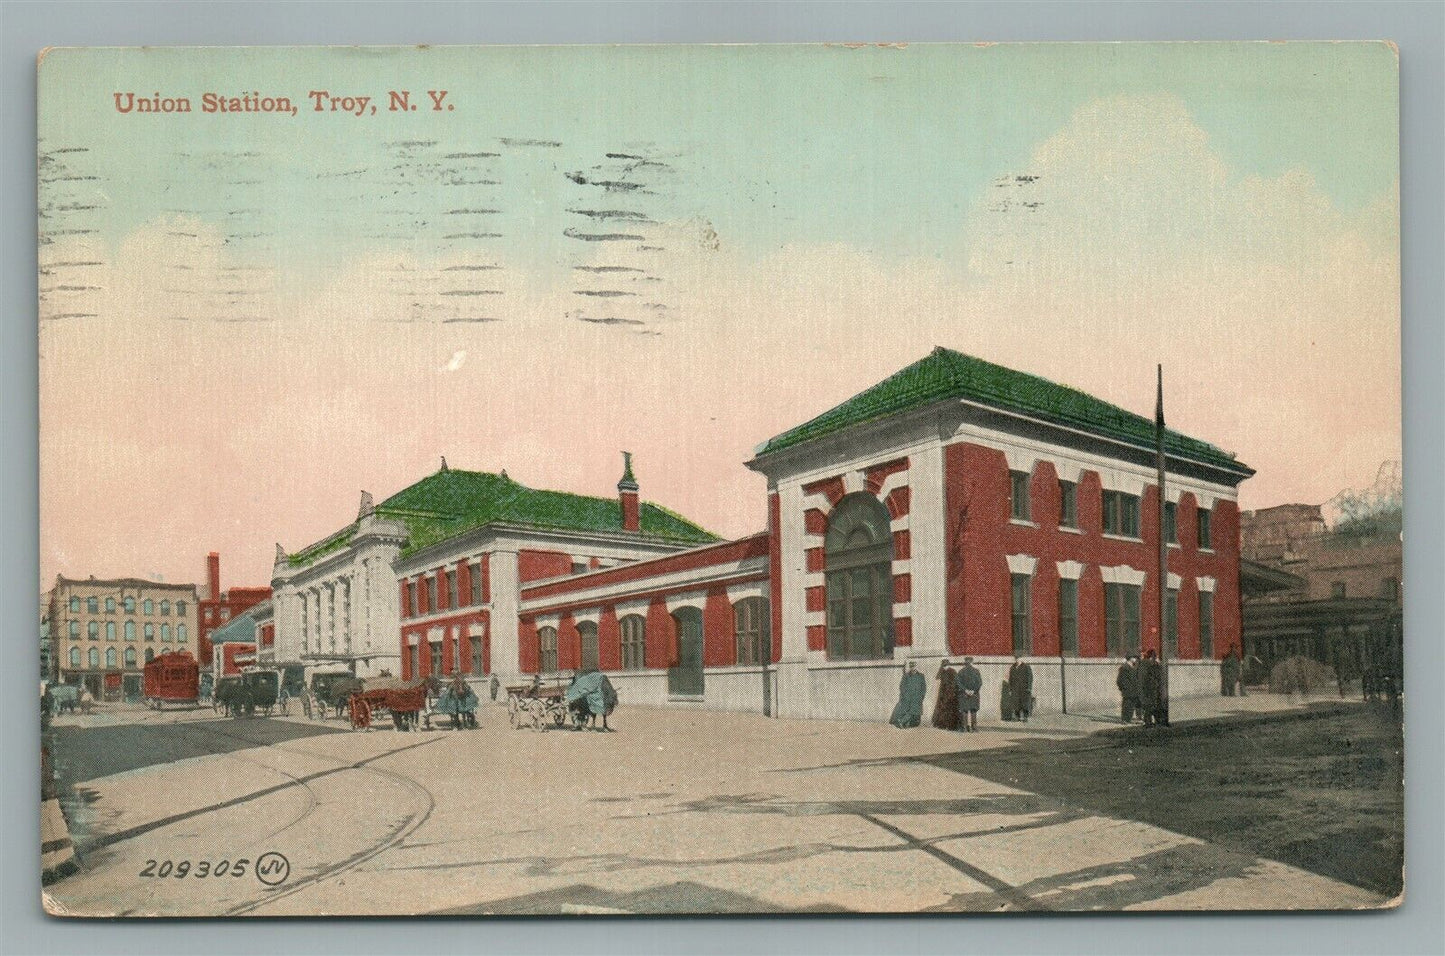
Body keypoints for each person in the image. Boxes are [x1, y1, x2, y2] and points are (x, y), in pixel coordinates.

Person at [889, 661, 926, 728]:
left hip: (917, 697)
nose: (913, 668)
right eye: (911, 666)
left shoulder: (921, 676)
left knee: (914, 711)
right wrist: (904, 695)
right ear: (910, 667)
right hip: (908, 697)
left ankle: (902, 722)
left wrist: (921, 696)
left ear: (916, 667)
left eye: (914, 666)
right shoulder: (906, 676)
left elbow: (924, 688)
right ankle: (904, 722)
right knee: (910, 711)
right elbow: (902, 686)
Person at [955, 657, 983, 732]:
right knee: (973, 710)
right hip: (974, 694)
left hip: (964, 694)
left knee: (964, 710)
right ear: (972, 662)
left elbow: (958, 683)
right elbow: (979, 683)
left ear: (965, 663)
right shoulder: (976, 671)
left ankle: (964, 727)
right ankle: (974, 727)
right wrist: (973, 690)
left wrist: (965, 690)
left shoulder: (961, 672)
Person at [932, 659, 960, 730]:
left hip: (950, 692)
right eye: (943, 665)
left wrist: (952, 691)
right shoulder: (943, 671)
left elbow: (955, 682)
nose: (944, 667)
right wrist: (941, 669)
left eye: (944, 665)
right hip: (944, 693)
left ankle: (950, 725)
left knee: (949, 708)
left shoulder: (952, 671)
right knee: (944, 708)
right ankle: (944, 724)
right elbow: (937, 677)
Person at [1139, 649, 1164, 727]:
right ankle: (1152, 722)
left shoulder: (1146, 663)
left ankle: (1150, 722)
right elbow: (1158, 675)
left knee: (1150, 706)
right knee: (1152, 706)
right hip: (1151, 688)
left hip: (1151, 688)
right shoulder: (1150, 664)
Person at [1007, 656, 1033, 722]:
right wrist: (1010, 689)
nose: (1017, 660)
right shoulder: (1013, 667)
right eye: (1016, 659)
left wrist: (1029, 688)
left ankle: (1025, 717)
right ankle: (1017, 717)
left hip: (1024, 688)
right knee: (1016, 703)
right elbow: (1010, 679)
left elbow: (1030, 678)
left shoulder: (1026, 667)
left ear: (1021, 659)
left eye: (1018, 659)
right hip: (1015, 688)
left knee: (1025, 703)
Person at [1117, 654, 1140, 722]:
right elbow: (1119, 680)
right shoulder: (1124, 667)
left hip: (1133, 690)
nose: (1135, 659)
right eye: (1134, 657)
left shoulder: (1133, 667)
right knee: (1126, 705)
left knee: (1131, 705)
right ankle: (1124, 719)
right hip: (1127, 690)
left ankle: (1128, 719)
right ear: (1130, 658)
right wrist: (1124, 688)